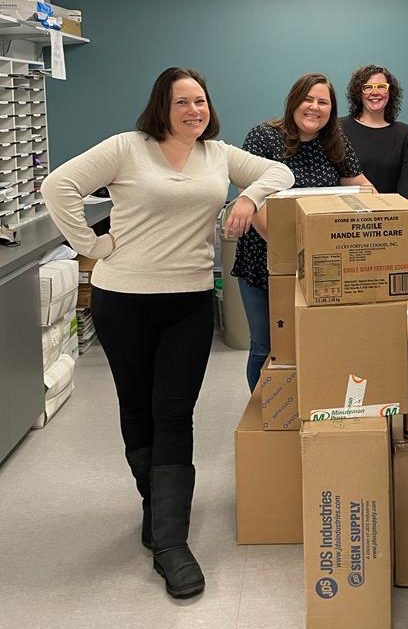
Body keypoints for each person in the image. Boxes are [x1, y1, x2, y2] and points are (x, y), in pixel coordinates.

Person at [40, 67, 294, 599]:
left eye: (200, 101)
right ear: (163, 106)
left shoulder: (219, 155)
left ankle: (171, 543)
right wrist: (91, 245)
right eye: (183, 102)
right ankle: (155, 512)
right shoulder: (126, 148)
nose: (194, 111)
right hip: (123, 300)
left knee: (174, 412)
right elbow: (57, 185)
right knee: (137, 407)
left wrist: (246, 199)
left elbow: (279, 172)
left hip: (190, 302)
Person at [232, 73, 372, 391]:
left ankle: (305, 408)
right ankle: (265, 417)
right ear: (294, 101)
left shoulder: (335, 141)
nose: (314, 107)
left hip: (320, 267)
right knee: (266, 347)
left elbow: (359, 185)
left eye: (323, 102)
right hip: (264, 262)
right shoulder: (264, 137)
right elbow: (251, 197)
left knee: (313, 345)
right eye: (308, 99)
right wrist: (289, 253)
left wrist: (384, 212)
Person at [340, 64, 408, 198]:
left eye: (382, 87)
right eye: (368, 87)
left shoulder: (403, 133)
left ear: (390, 92)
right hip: (346, 215)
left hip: (390, 214)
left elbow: (406, 190)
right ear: (358, 92)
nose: (375, 92)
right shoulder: (340, 128)